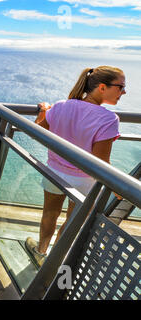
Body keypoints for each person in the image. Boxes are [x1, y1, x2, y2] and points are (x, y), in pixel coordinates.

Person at [25, 66, 126, 266]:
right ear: (103, 87)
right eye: (121, 87)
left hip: (54, 173)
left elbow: (39, 131)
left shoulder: (61, 106)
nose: (123, 92)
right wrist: (118, 186)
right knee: (72, 222)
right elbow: (100, 163)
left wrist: (44, 111)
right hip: (83, 182)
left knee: (49, 214)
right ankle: (55, 260)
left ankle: (40, 251)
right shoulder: (108, 119)